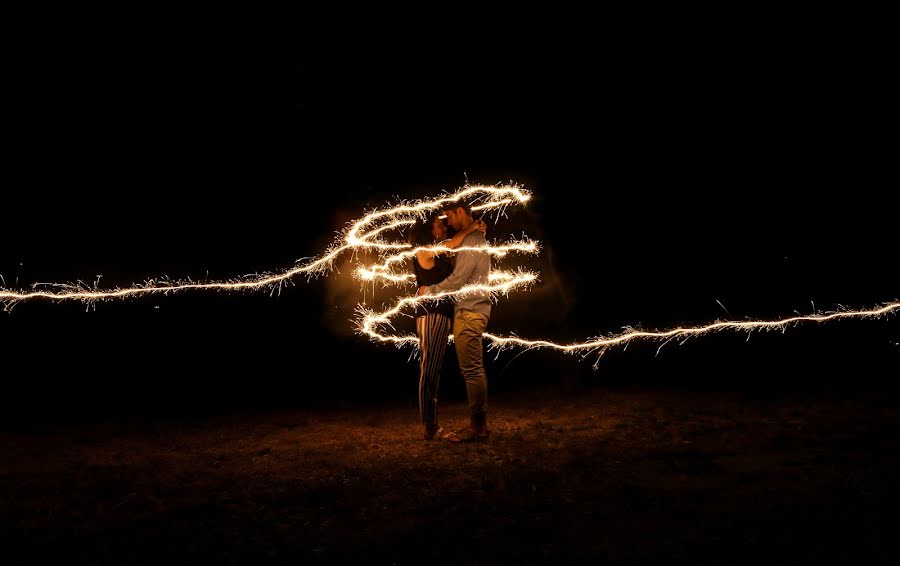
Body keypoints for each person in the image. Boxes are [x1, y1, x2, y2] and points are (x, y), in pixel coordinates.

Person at [418, 200, 492, 442]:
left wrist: (430, 290)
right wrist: (473, 227)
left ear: (460, 211)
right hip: (464, 309)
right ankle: (475, 425)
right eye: (440, 222)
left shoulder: (472, 241)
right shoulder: (465, 239)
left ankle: (478, 427)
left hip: (470, 309)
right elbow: (450, 247)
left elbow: (458, 279)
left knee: (471, 369)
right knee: (465, 369)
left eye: (448, 216)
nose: (447, 222)